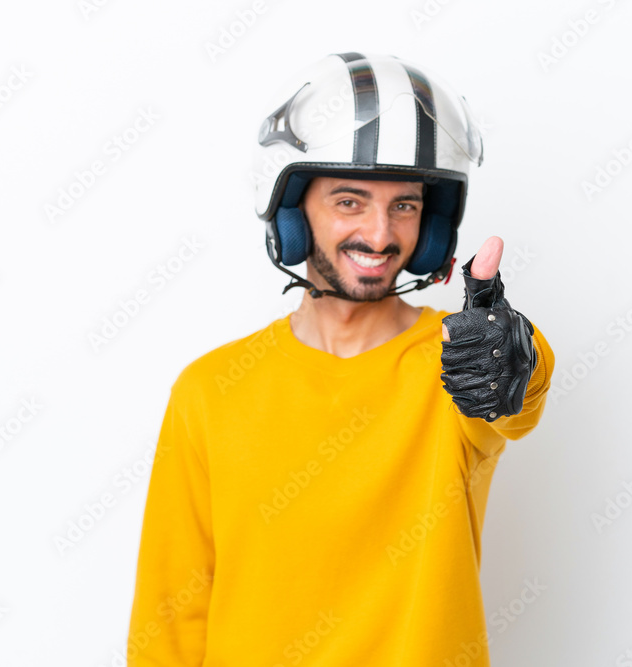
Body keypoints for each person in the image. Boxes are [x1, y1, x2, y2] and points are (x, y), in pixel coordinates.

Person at [126, 52, 554, 666]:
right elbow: (169, 618)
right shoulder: (210, 390)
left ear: (430, 224)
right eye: (350, 202)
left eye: (404, 206)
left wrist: (515, 354)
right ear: (295, 212)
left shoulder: (456, 365)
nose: (380, 235)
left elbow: (519, 394)